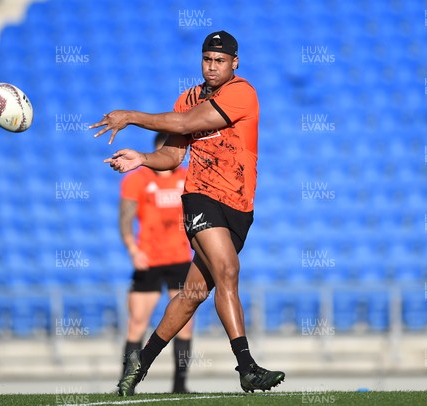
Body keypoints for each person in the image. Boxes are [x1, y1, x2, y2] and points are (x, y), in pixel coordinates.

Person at [90, 30, 285, 396]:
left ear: (234, 63)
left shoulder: (242, 92)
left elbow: (183, 125)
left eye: (220, 61)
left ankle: (140, 363)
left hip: (239, 208)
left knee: (193, 293)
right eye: (207, 59)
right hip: (200, 198)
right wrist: (144, 159)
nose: (212, 67)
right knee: (228, 269)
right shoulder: (188, 97)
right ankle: (247, 367)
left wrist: (130, 116)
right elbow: (174, 156)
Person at [119, 132, 193, 394]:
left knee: (183, 323)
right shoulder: (136, 179)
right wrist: (132, 249)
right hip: (148, 259)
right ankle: (126, 383)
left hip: (180, 259)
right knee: (137, 322)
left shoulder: (187, 177)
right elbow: (125, 218)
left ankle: (180, 386)